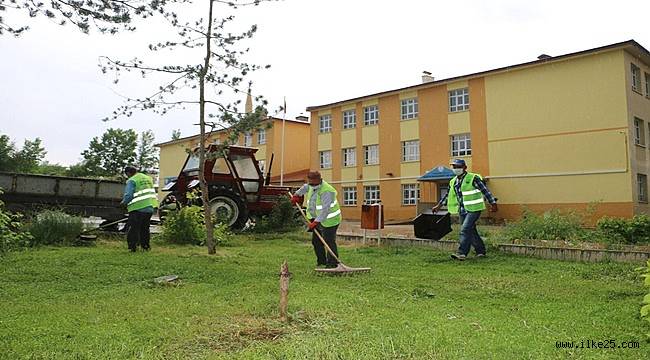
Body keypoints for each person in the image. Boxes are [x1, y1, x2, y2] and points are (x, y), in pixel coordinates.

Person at [432, 159, 497, 261]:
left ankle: (462, 253)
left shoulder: (473, 178)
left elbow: (485, 190)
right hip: (462, 210)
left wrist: (493, 203)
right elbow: (448, 195)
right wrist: (439, 205)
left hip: (474, 209)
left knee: (465, 229)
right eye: (454, 167)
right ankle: (481, 251)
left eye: (458, 167)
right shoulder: (453, 181)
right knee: (471, 231)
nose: (456, 169)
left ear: (464, 168)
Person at [291, 171, 342, 268]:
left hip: (330, 219)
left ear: (319, 180)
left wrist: (315, 222)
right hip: (316, 219)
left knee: (328, 241)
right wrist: (296, 195)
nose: (312, 185)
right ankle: (321, 262)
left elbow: (325, 209)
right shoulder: (310, 186)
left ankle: (333, 263)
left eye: (314, 183)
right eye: (310, 183)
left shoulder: (327, 191)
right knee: (316, 241)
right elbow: (305, 187)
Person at [121, 166, 159, 252]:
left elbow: (129, 195)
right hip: (149, 207)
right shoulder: (148, 178)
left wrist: (123, 203)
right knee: (145, 228)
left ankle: (132, 247)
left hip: (137, 208)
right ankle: (145, 246)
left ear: (128, 173)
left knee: (134, 228)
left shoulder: (132, 180)